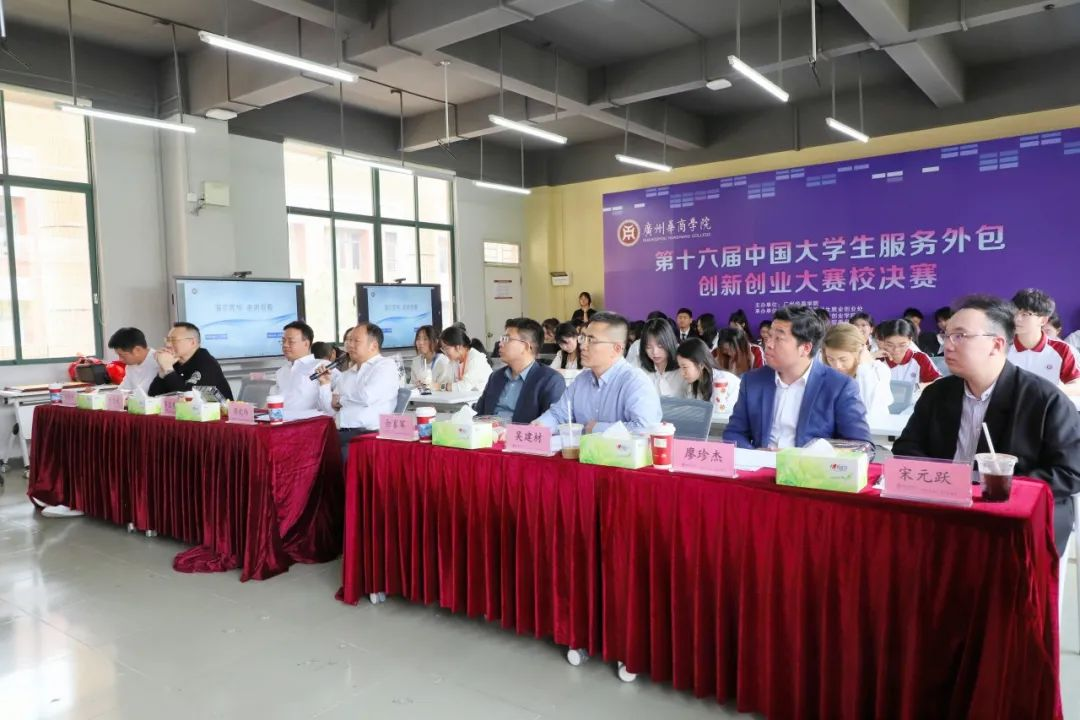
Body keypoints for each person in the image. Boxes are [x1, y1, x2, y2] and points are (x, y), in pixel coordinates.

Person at [892, 295, 1080, 557]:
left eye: (960, 336)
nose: (948, 346)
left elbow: (1069, 472)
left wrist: (997, 486)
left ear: (996, 344)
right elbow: (906, 447)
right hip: (944, 507)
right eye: (946, 336)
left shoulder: (1044, 399)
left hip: (1012, 516)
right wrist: (941, 483)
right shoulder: (937, 393)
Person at [723, 305, 872, 450]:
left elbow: (860, 446)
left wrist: (803, 458)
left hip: (811, 466)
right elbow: (734, 433)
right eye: (769, 337)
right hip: (761, 465)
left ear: (805, 348)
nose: (768, 344)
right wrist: (755, 455)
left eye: (778, 338)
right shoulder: (753, 381)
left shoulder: (839, 386)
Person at [535, 312, 662, 434]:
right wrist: (539, 426)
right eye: (583, 338)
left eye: (591, 340)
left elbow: (646, 428)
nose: (582, 346)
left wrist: (597, 428)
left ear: (616, 349)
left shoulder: (635, 381)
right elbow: (558, 415)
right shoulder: (581, 380)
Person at [318, 323, 399, 464]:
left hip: (368, 436)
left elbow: (367, 396)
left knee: (337, 461)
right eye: (349, 340)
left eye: (356, 341)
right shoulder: (347, 374)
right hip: (342, 433)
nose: (350, 345)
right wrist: (325, 384)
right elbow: (330, 409)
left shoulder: (386, 366)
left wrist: (341, 399)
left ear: (373, 346)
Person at [475, 318, 565, 423]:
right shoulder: (495, 377)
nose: (500, 343)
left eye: (506, 339)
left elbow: (550, 424)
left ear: (526, 346)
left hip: (521, 433)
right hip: (488, 432)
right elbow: (478, 413)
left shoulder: (550, 381)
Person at [1008, 288, 1080, 388]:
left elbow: (1076, 385)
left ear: (1043, 321)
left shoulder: (1061, 349)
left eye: (1025, 314)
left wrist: (1050, 393)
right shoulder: (1002, 346)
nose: (1017, 319)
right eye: (1015, 313)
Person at [823, 323, 893, 418]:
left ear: (859, 352)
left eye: (843, 359)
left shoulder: (879, 371)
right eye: (830, 359)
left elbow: (868, 410)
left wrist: (863, 369)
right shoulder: (826, 373)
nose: (837, 366)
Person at [148, 322, 233, 400]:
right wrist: (162, 372)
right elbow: (152, 396)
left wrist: (168, 368)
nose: (168, 344)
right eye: (167, 340)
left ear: (192, 342)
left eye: (173, 340)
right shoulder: (175, 362)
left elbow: (188, 399)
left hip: (218, 411)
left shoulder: (207, 363)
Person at [275, 321, 329, 414]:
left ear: (306, 344)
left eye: (291, 341)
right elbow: (273, 401)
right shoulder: (281, 372)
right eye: (283, 341)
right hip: (279, 420)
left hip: (308, 421)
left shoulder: (322, 366)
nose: (285, 345)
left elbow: (338, 400)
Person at [676, 338, 740, 415]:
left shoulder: (724, 381)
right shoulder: (693, 385)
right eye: (680, 367)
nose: (682, 373)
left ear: (701, 365)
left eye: (685, 367)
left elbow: (721, 415)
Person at [875, 319, 941, 385]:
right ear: (883, 341)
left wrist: (916, 387)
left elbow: (937, 382)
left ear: (910, 340)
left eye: (902, 345)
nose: (896, 350)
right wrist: (871, 357)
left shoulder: (920, 358)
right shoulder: (877, 360)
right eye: (890, 345)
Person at [639, 318, 688, 398]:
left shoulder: (683, 369)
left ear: (669, 342)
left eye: (660, 346)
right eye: (649, 347)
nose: (655, 352)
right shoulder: (641, 372)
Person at [438, 326, 492, 392]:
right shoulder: (454, 361)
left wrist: (441, 387)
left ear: (458, 346)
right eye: (443, 349)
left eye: (446, 348)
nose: (444, 352)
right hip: (467, 397)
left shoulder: (476, 358)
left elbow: (465, 387)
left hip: (484, 397)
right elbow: (445, 381)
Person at [108, 327, 157, 394]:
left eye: (122, 355)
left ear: (137, 350)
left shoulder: (157, 361)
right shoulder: (131, 365)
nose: (120, 359)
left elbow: (144, 391)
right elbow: (123, 388)